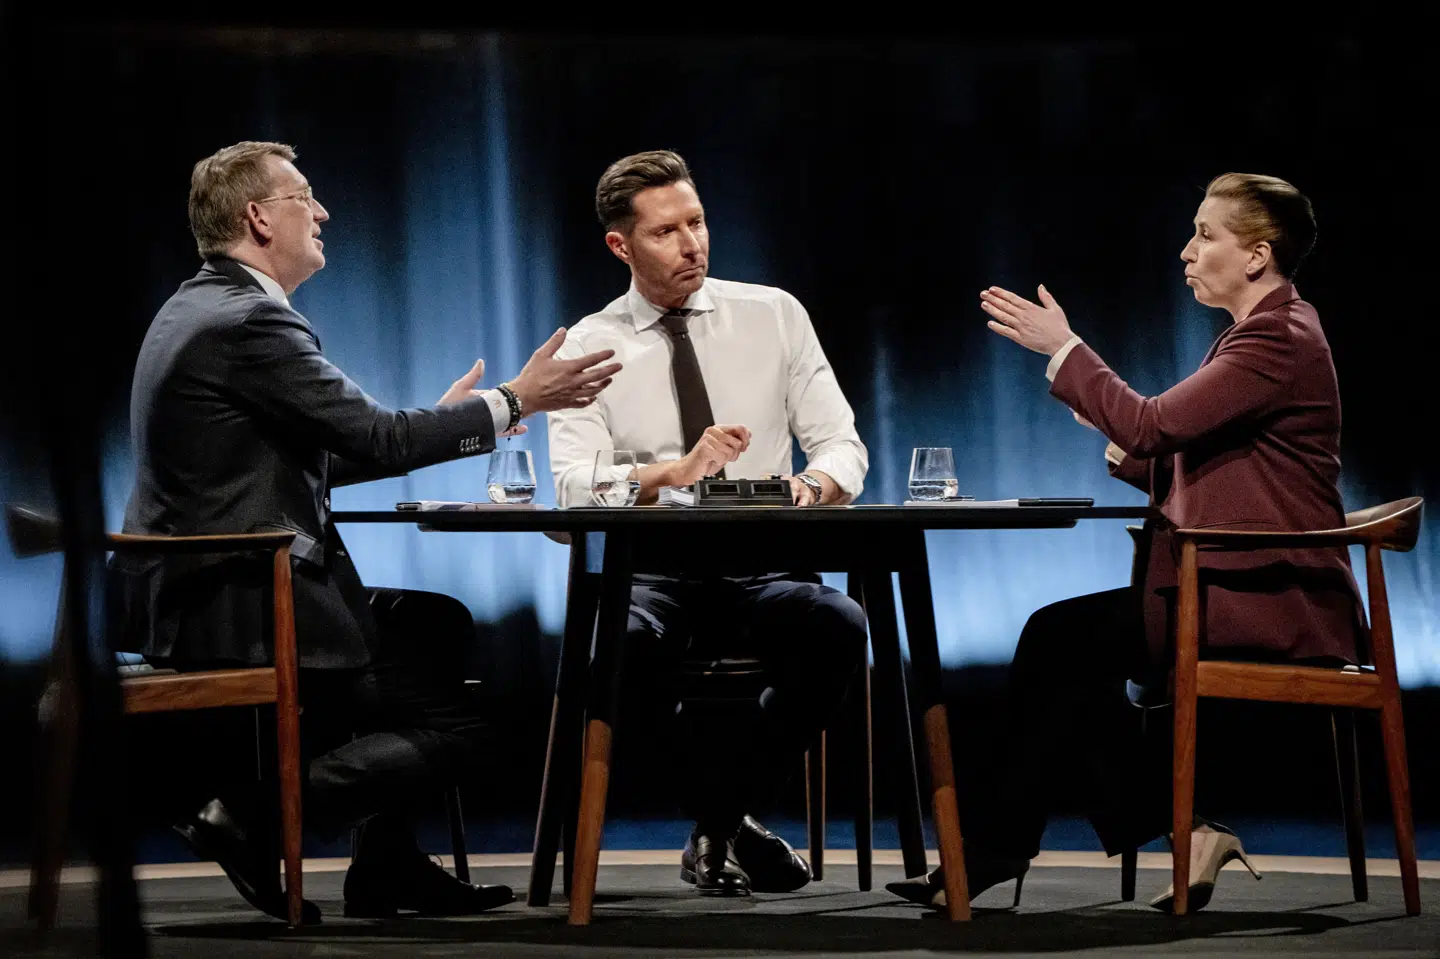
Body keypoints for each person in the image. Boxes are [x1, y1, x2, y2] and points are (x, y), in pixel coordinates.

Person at [109, 141, 621, 922]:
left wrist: (447, 421)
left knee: (435, 624)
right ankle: (252, 813)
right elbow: (376, 438)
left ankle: (385, 865)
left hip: (209, 585)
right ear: (257, 218)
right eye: (304, 197)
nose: (321, 212)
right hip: (240, 599)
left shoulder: (201, 305)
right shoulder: (251, 322)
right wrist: (515, 401)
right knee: (467, 726)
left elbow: (301, 460)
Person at [888, 173, 1365, 913]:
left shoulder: (1277, 336)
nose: (1187, 250)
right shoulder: (1263, 333)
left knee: (1057, 647)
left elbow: (1151, 425)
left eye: (1206, 235)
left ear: (1257, 256)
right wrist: (1116, 431)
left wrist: (1066, 351)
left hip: (1270, 596)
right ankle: (1168, 830)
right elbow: (1183, 452)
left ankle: (1021, 847)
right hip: (1234, 582)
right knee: (1064, 658)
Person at [547, 150, 869, 897]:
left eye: (697, 222)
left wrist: (815, 484)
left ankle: (718, 820)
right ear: (620, 246)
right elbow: (571, 487)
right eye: (666, 232)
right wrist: (668, 474)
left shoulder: (774, 314)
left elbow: (842, 444)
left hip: (766, 565)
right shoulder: (587, 347)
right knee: (617, 647)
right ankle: (728, 821)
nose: (693, 243)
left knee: (839, 623)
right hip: (651, 572)